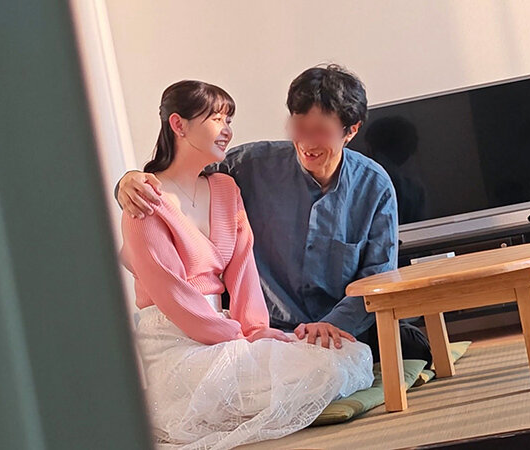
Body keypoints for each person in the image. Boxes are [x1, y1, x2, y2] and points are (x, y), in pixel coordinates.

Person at [118, 65, 432, 364]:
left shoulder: (374, 185)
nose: (307, 142)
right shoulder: (248, 166)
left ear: (351, 131)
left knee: (410, 346)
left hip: (341, 330)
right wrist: (128, 182)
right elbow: (180, 180)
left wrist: (332, 324)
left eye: (321, 131)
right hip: (269, 332)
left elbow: (377, 276)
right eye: (299, 127)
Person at [120, 80, 374, 448]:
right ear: (178, 125)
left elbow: (243, 270)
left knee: (345, 358)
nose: (227, 130)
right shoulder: (144, 201)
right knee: (278, 380)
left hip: (227, 331)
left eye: (229, 120)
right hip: (174, 340)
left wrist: (256, 331)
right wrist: (239, 340)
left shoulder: (226, 188)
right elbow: (174, 296)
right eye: (216, 119)